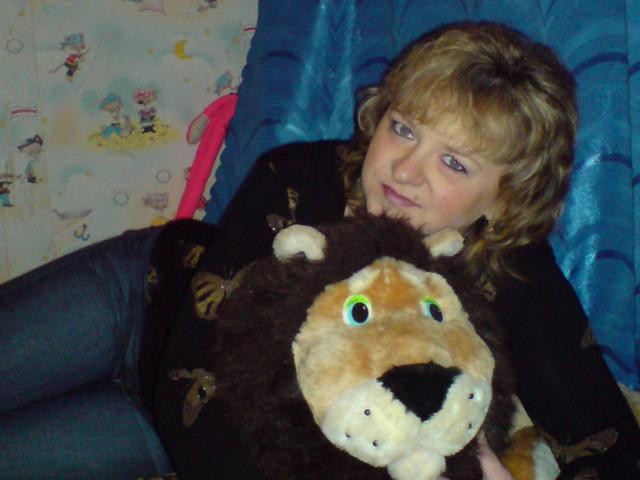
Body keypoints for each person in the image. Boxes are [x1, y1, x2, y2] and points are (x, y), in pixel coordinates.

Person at [0, 21, 638, 480]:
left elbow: (609, 445)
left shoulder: (509, 275)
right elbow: (200, 365)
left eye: (453, 162)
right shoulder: (296, 179)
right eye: (403, 128)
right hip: (134, 301)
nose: (405, 170)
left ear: (507, 196)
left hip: (159, 420)